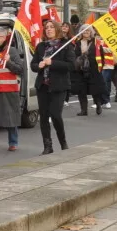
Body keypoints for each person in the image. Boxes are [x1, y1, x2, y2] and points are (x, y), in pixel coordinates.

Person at [31, 20, 74, 151]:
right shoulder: (41, 46)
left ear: (57, 29)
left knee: (55, 115)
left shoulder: (65, 46)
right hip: (43, 86)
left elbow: (71, 65)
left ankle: (63, 142)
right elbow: (33, 64)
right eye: (46, 27)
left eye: (51, 27)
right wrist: (38, 66)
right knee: (43, 117)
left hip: (58, 86)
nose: (48, 29)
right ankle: (47, 146)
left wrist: (52, 63)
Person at [71, 25, 104, 116]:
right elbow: (74, 55)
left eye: (88, 31)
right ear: (81, 32)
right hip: (80, 70)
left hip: (93, 70)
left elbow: (101, 55)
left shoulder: (96, 42)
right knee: (81, 91)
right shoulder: (76, 43)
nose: (86, 33)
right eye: (84, 31)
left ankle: (98, 105)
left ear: (91, 32)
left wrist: (100, 67)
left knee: (95, 90)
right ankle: (84, 110)